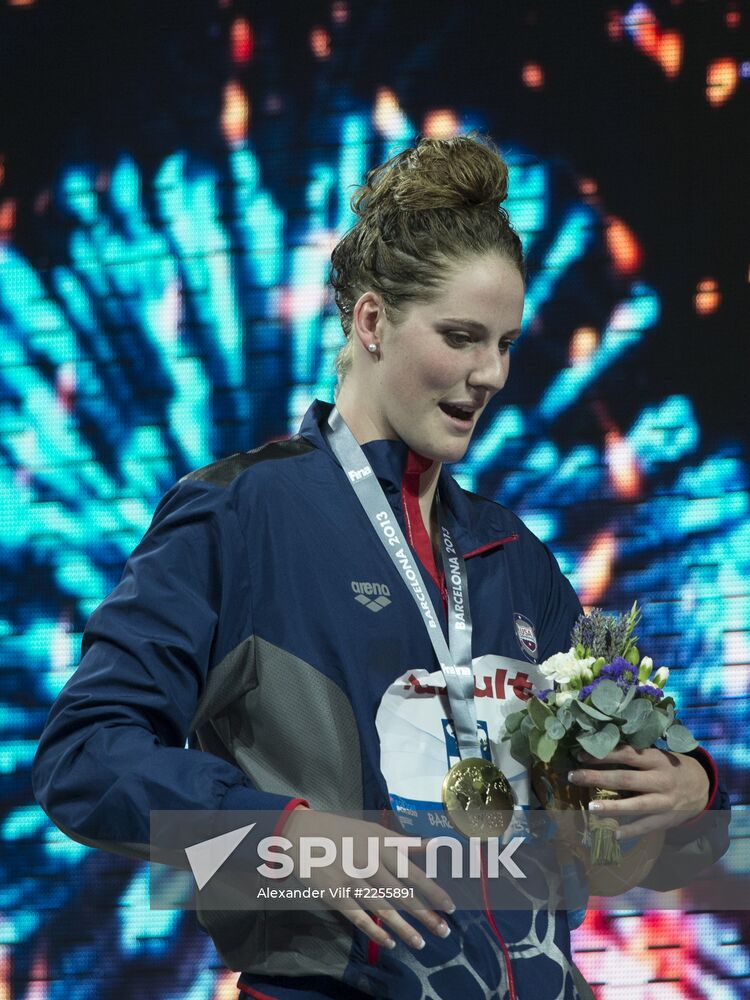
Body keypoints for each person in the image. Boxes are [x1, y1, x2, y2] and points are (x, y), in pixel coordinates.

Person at [33, 135, 729, 1000]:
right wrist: (299, 840)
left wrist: (687, 791)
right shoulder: (243, 515)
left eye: (506, 343)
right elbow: (85, 758)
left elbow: (663, 851)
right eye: (461, 337)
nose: (491, 374)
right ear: (370, 322)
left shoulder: (514, 555)